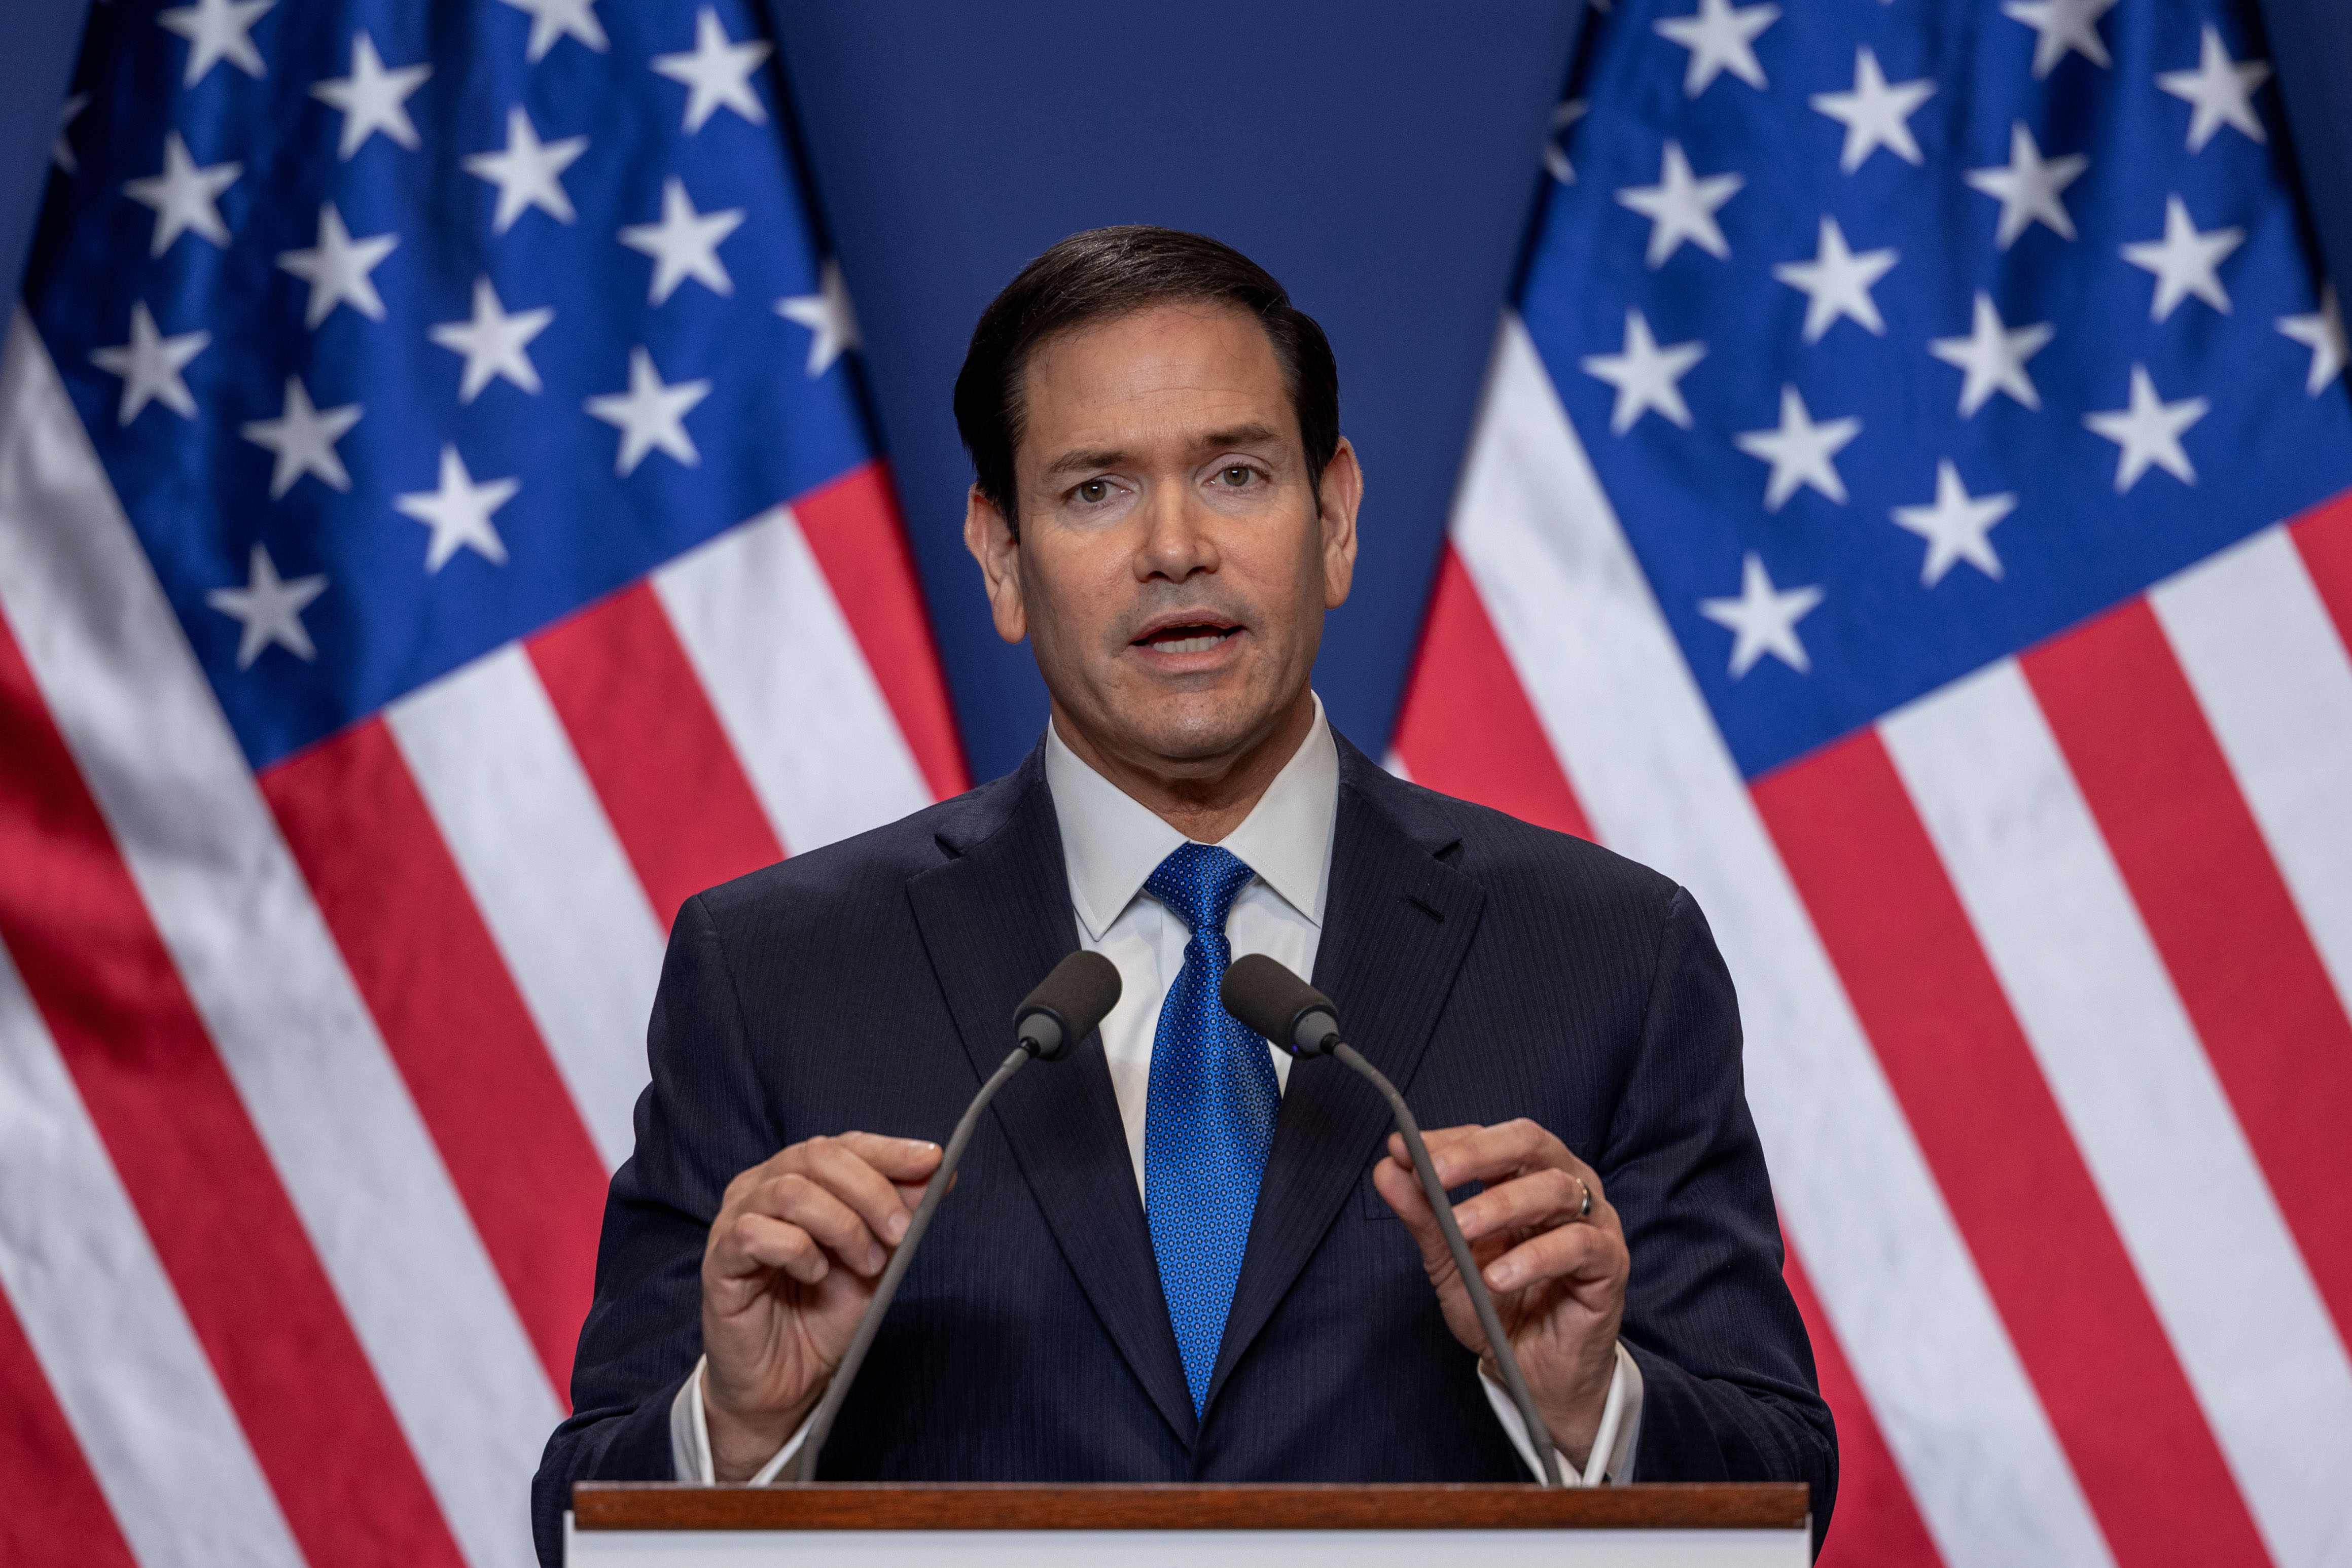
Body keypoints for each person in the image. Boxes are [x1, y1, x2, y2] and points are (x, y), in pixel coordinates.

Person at [531, 226, 1834, 1563]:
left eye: (1236, 472)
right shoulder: (775, 972)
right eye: (1096, 489)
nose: (1174, 546)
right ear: (999, 552)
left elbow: (1785, 1496)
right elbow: (583, 1525)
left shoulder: (1610, 951)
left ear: (1333, 519)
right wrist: (740, 1431)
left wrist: (1587, 1411)